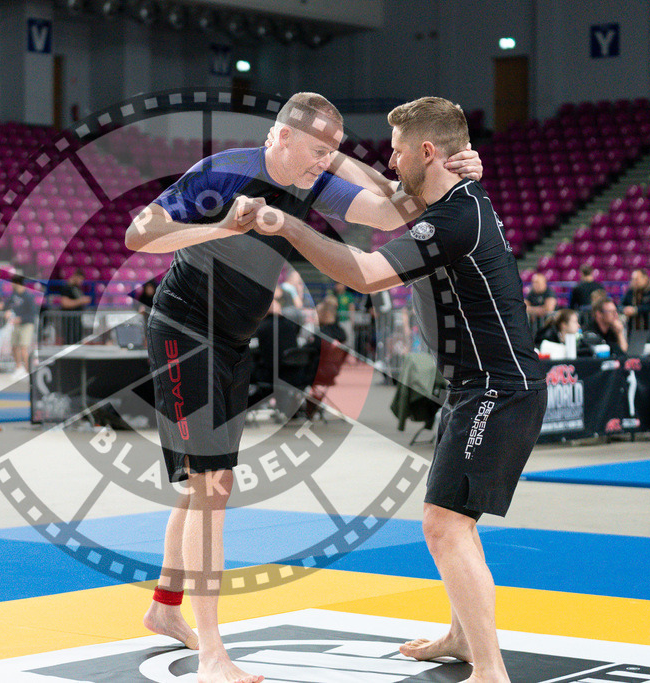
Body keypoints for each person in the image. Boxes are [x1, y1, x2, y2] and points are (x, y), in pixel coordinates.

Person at [125, 91, 483, 683]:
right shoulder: (224, 172)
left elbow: (393, 212)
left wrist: (450, 167)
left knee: (203, 485)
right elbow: (139, 235)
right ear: (282, 136)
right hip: (183, 329)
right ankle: (212, 654)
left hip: (232, 340)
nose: (325, 163)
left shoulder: (311, 182)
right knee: (211, 485)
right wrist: (217, 226)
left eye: (332, 153)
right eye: (318, 150)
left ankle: (164, 610)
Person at [251, 96, 544, 681]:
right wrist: (328, 159)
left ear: (427, 152)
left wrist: (288, 226)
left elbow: (365, 275)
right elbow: (389, 191)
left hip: (497, 389)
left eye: (399, 150)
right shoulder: (455, 200)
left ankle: (491, 670)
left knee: (443, 524)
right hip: (477, 386)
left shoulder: (453, 219)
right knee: (456, 521)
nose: (391, 160)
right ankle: (463, 637)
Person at [8, 274, 38, 381]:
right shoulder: (14, 295)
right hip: (16, 324)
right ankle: (18, 368)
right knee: (14, 346)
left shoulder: (28, 296)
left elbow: (32, 313)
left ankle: (26, 371)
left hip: (26, 324)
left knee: (24, 348)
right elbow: (8, 305)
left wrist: (20, 319)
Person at [60, 270, 91, 345]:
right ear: (75, 276)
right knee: (69, 342)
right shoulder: (67, 287)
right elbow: (65, 303)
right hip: (69, 321)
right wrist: (81, 301)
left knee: (78, 341)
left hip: (77, 321)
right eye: (80, 279)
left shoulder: (77, 288)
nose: (81, 281)